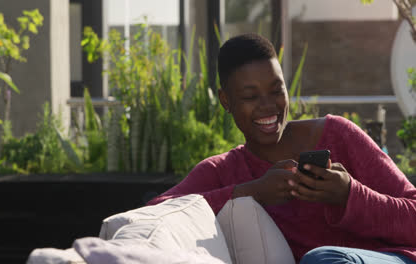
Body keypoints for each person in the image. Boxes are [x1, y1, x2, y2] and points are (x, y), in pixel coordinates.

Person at [147, 33, 416, 263]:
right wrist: (252, 192)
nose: (268, 106)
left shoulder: (338, 135)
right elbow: (153, 213)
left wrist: (349, 195)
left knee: (323, 259)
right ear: (225, 101)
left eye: (277, 90)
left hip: (389, 257)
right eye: (251, 96)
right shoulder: (224, 170)